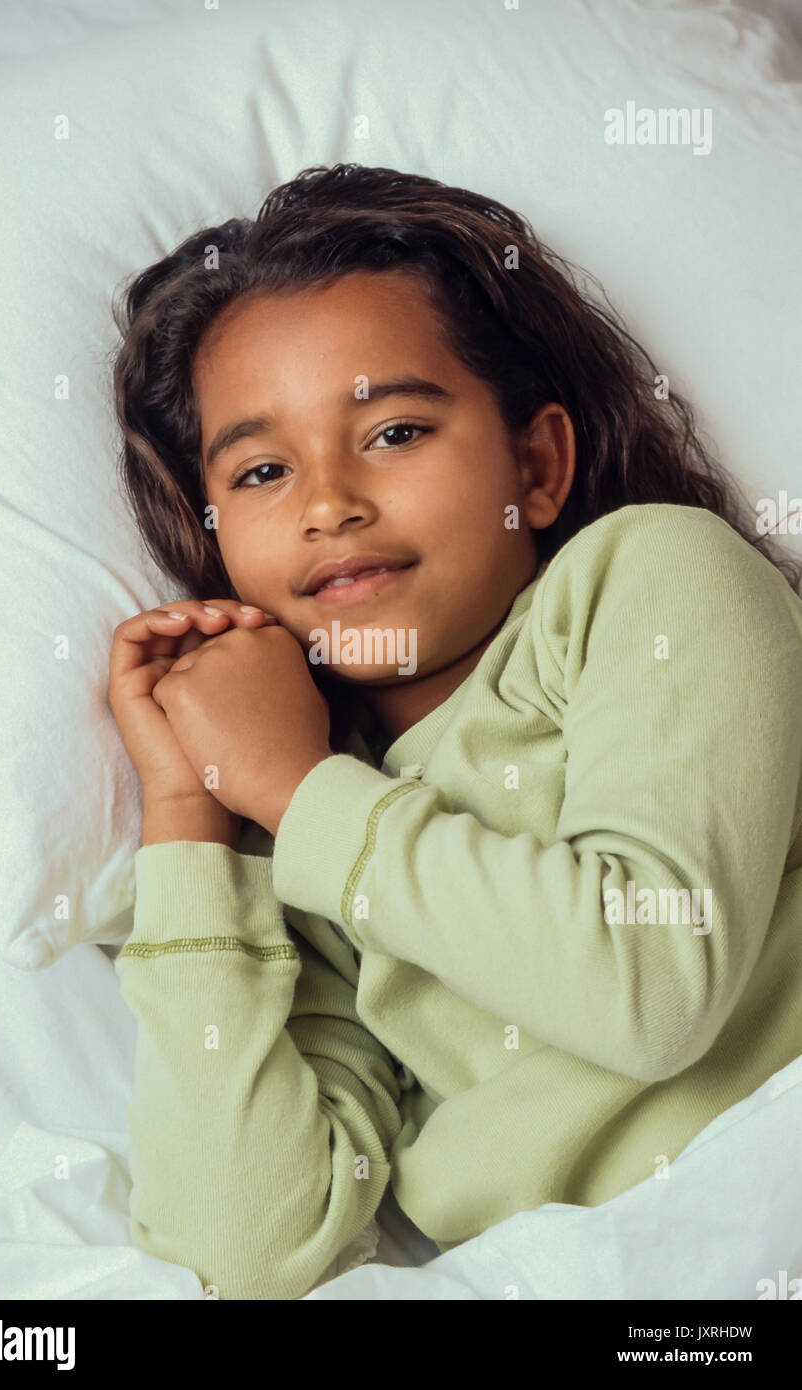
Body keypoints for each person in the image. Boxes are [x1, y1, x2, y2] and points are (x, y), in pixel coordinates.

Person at [106, 163, 802, 1300]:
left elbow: (652, 984)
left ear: (533, 465)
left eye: (391, 432)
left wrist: (297, 788)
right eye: (265, 470)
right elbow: (245, 1255)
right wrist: (190, 824)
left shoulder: (650, 578)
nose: (329, 502)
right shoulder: (302, 840)